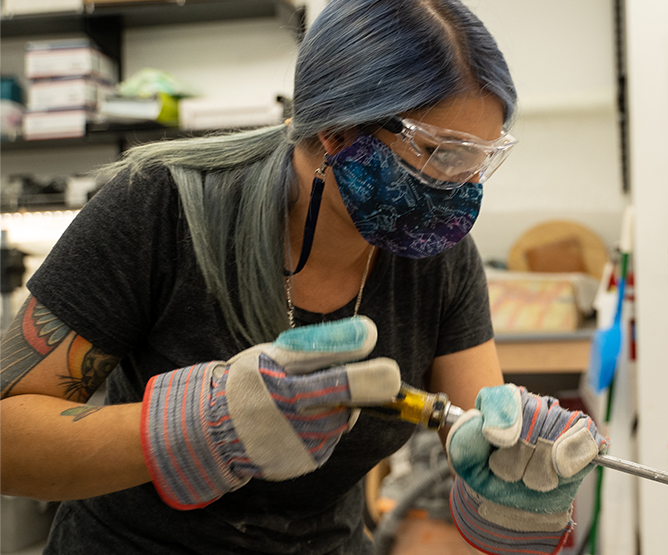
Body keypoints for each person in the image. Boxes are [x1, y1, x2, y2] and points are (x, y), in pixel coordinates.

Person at [0, 1, 606, 553]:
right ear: (337, 129)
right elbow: (9, 438)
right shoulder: (162, 207)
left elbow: (483, 433)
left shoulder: (437, 257)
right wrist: (205, 426)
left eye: (481, 158)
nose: (462, 188)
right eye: (442, 152)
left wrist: (518, 482)